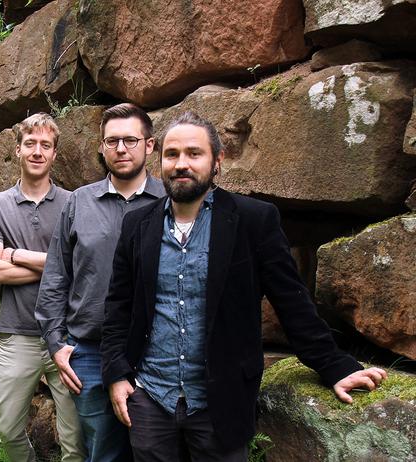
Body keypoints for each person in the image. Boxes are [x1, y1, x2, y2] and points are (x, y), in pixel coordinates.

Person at [101, 111, 388, 461]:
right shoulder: (137, 225)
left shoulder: (253, 220)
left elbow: (292, 302)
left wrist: (335, 366)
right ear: (160, 159)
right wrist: (117, 373)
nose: (181, 164)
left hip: (221, 399)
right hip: (149, 398)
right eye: (172, 154)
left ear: (217, 160)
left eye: (194, 153)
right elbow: (118, 307)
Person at [36, 103, 166, 461]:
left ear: (150, 145)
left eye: (129, 140)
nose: (120, 149)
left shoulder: (170, 202)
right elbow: (56, 276)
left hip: (154, 352)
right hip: (89, 352)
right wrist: (55, 342)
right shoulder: (79, 202)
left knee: (155, 449)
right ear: (101, 147)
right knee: (102, 451)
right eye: (112, 141)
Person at [0, 112, 85, 462]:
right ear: (18, 150)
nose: (37, 151)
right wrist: (57, 267)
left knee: (76, 438)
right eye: (30, 144)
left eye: (46, 145)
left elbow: (81, 268)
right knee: (7, 429)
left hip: (68, 335)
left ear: (55, 154)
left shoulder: (74, 204)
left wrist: (18, 254)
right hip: (18, 334)